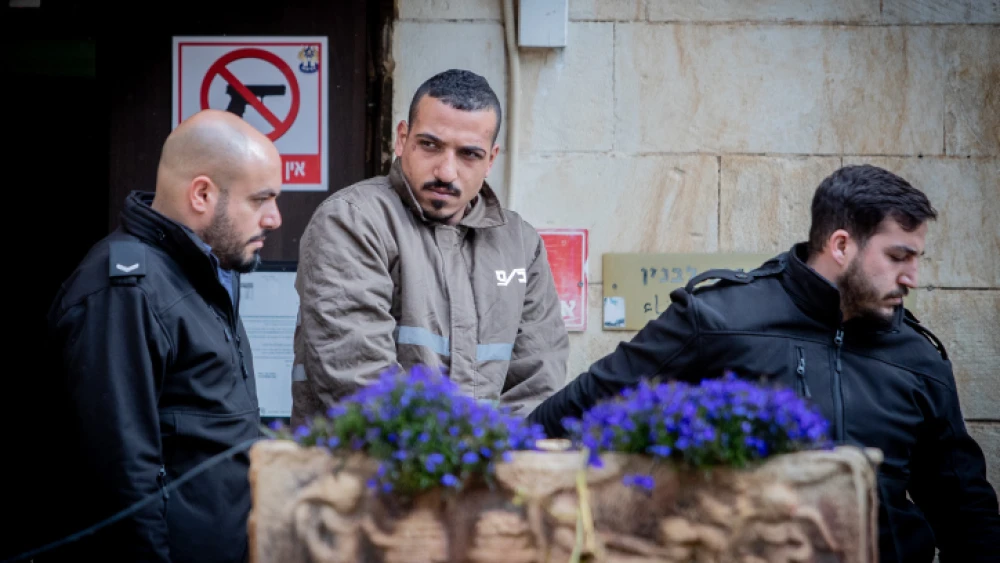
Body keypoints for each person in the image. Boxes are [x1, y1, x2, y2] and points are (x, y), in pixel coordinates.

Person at [528, 164, 999, 562]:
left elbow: (965, 510)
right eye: (899, 256)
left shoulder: (919, 359)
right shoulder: (717, 319)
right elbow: (576, 411)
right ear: (841, 246)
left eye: (917, 259)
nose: (912, 277)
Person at [34, 109, 283, 562]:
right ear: (202, 194)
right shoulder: (124, 291)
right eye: (261, 199)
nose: (275, 218)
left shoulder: (199, 272)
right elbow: (121, 477)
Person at [291, 68, 569, 426]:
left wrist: (497, 464)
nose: (446, 171)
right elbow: (357, 374)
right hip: (362, 473)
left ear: (491, 159)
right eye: (430, 145)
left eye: (469, 154)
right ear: (402, 138)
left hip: (483, 473)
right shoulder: (352, 220)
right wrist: (452, 459)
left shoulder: (520, 243)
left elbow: (537, 382)